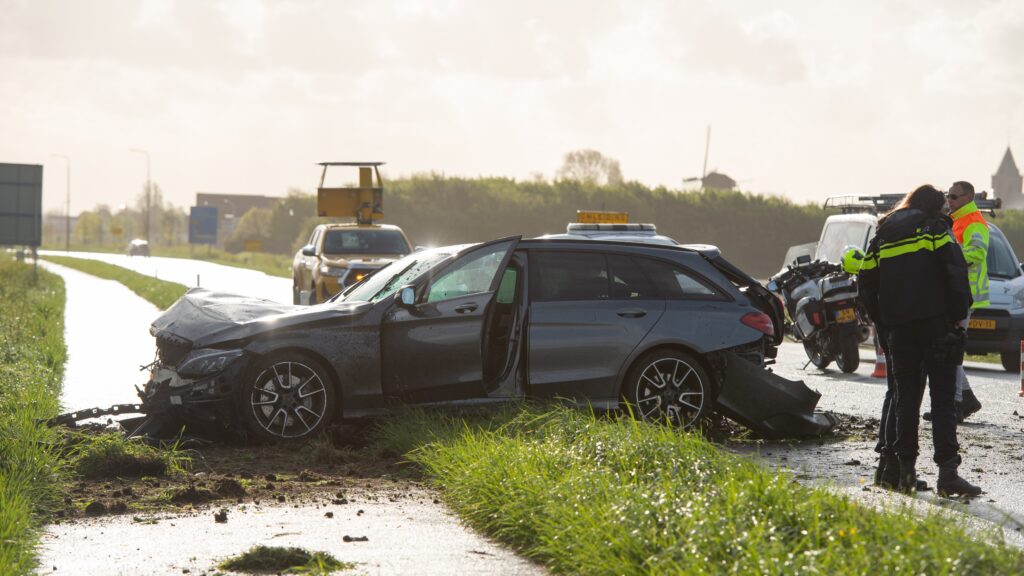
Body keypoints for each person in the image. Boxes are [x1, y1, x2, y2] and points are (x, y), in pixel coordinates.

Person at [858, 185, 981, 496]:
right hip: (937, 326)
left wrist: (884, 324)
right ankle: (948, 475)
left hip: (899, 330)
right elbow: (955, 273)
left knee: (906, 402)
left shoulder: (882, 235)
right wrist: (958, 317)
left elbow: (866, 283)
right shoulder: (936, 229)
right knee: (942, 402)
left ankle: (906, 475)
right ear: (932, 206)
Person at [924, 181, 987, 422]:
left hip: (964, 292)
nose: (949, 200)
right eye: (947, 196)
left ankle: (958, 403)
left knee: (950, 348)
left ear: (968, 197)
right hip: (955, 291)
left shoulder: (973, 221)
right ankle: (965, 399)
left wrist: (950, 258)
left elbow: (977, 254)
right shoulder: (959, 219)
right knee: (950, 347)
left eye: (953, 196)